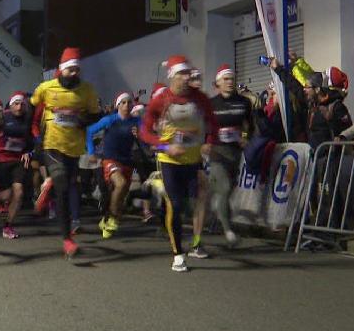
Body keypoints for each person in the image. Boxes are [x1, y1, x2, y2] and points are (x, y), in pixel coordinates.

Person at [140, 55, 217, 272]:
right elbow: (145, 132)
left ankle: (195, 240)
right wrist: (165, 146)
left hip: (193, 161)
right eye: (182, 74)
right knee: (176, 205)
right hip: (170, 160)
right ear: (172, 76)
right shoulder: (160, 100)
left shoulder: (200, 99)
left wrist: (209, 143)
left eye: (188, 73)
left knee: (197, 202)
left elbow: (213, 124)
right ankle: (178, 254)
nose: (186, 78)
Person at [31, 47, 102, 259]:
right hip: (51, 144)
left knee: (70, 186)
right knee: (62, 185)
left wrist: (82, 120)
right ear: (61, 70)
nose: (74, 73)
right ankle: (67, 238)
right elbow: (31, 107)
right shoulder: (46, 88)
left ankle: (49, 183)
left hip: (74, 147)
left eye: (77, 70)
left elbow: (95, 115)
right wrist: (33, 138)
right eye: (70, 69)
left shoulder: (87, 90)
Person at [207, 64, 254, 248]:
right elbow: (204, 126)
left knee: (229, 190)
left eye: (231, 79)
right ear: (218, 83)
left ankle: (217, 206)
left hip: (235, 153)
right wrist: (205, 142)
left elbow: (249, 125)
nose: (229, 82)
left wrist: (244, 137)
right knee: (225, 188)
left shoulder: (244, 102)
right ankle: (228, 230)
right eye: (225, 79)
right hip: (217, 152)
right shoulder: (211, 104)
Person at [86, 92, 140, 239]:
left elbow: (147, 138)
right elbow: (89, 131)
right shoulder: (110, 120)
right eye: (123, 103)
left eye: (129, 102)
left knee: (121, 195)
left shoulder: (136, 121)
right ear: (117, 106)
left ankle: (106, 219)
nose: (127, 105)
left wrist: (140, 135)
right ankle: (113, 220)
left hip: (127, 160)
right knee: (120, 184)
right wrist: (91, 152)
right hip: (110, 159)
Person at [0, 91, 34, 239]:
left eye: (22, 104)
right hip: (1, 159)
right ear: (11, 105)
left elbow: (30, 140)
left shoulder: (28, 119)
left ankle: (8, 226)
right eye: (16, 103)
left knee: (19, 192)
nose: (19, 106)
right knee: (5, 195)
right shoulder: (3, 117)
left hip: (18, 160)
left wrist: (28, 152)